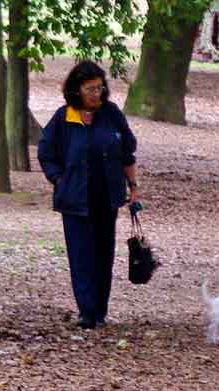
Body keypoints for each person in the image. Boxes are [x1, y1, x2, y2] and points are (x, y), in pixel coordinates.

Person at [38, 61, 140, 329]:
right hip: (74, 199)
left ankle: (100, 311)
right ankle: (86, 311)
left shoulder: (112, 114)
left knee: (103, 254)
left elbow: (127, 151)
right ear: (77, 89)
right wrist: (58, 179)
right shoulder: (64, 118)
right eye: (90, 88)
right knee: (81, 255)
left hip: (107, 197)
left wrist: (133, 186)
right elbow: (46, 152)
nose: (96, 93)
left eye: (99, 87)